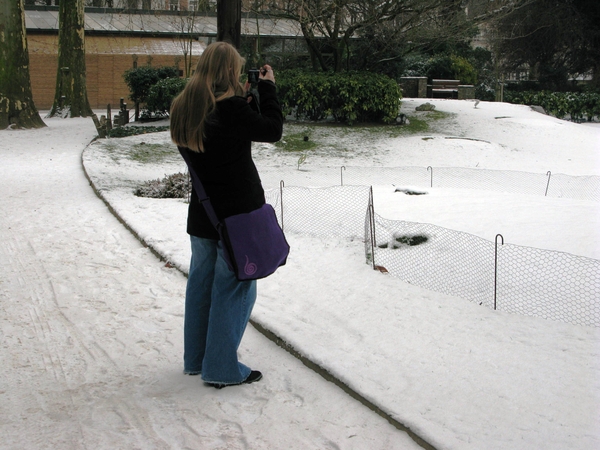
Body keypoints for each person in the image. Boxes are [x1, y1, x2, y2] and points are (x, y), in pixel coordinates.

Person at [169, 41, 283, 388]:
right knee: (235, 287)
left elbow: (221, 140)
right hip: (236, 218)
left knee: (201, 285)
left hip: (204, 214)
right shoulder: (231, 109)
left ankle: (197, 359)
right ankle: (220, 367)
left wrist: (244, 103)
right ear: (231, 72)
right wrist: (268, 87)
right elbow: (273, 130)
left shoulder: (184, 106)